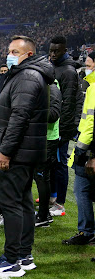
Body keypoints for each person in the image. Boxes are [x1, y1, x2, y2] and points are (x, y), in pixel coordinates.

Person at [0, 35, 54, 277]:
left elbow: (19, 118)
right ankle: (24, 254)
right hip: (26, 152)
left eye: (14, 51)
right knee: (22, 203)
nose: (9, 54)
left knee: (11, 204)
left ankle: (11, 259)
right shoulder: (28, 75)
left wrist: (6, 151)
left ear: (29, 55)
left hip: (18, 153)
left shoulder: (27, 76)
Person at [62, 52, 95, 245]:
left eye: (89, 64)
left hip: (88, 148)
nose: (86, 67)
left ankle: (86, 232)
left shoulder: (93, 87)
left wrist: (85, 150)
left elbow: (91, 122)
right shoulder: (89, 86)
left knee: (81, 189)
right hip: (87, 146)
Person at [48, 35, 79, 216]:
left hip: (61, 127)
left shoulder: (68, 71)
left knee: (60, 164)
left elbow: (69, 103)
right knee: (51, 163)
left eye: (56, 51)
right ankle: (52, 196)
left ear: (64, 50)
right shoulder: (54, 67)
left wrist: (64, 130)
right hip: (53, 125)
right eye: (51, 50)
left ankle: (60, 203)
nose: (52, 54)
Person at [33, 81, 62, 227]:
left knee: (42, 177)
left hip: (47, 139)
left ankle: (44, 216)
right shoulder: (45, 87)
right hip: (39, 137)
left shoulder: (52, 88)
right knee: (39, 176)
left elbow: (53, 115)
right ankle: (45, 214)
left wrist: (31, 109)